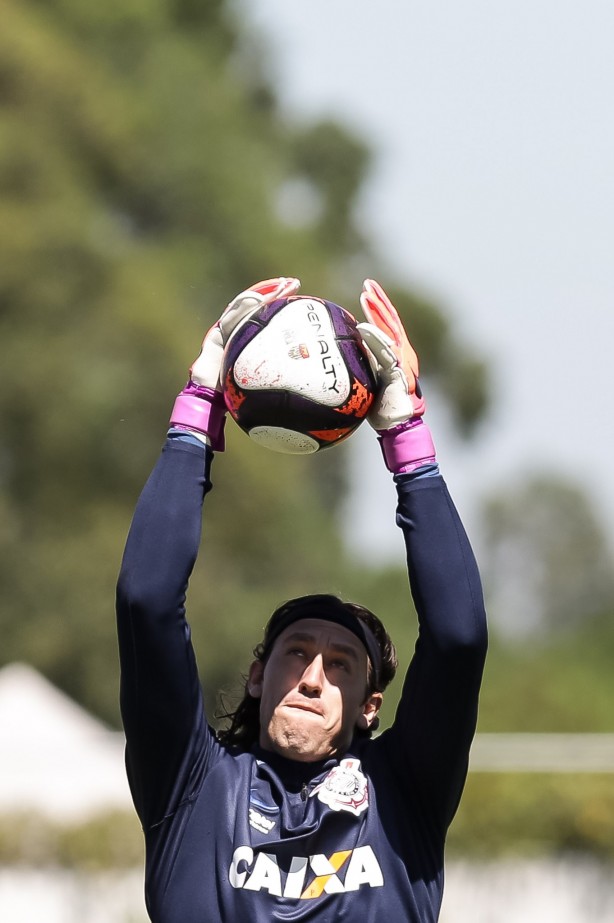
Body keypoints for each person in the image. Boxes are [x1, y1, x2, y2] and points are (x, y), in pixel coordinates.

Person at [116, 277, 488, 923]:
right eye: (297, 653)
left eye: (341, 663)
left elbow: (458, 636)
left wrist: (405, 433)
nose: (314, 677)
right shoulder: (193, 788)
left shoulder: (403, 796)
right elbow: (146, 601)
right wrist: (202, 397)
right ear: (259, 673)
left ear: (370, 707)